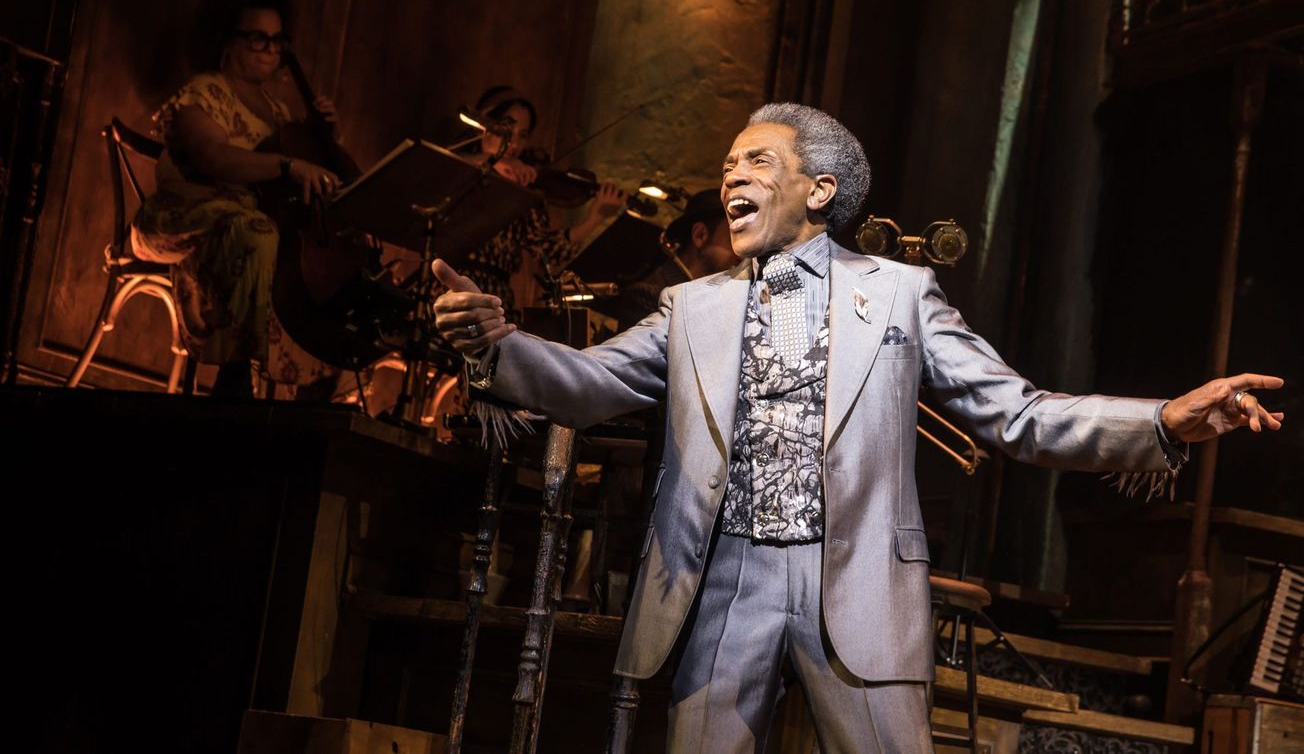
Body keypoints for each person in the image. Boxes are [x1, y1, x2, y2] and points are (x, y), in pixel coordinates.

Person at [430, 103, 1284, 751]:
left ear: (820, 191)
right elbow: (588, 383)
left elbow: (1019, 413)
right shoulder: (691, 306)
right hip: (724, 582)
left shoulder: (901, 294)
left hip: (857, 580)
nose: (731, 178)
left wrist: (1165, 419)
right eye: (727, 164)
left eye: (757, 161)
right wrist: (497, 346)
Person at [133, 0, 343, 397]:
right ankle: (235, 374)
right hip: (193, 217)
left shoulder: (280, 111)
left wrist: (326, 137)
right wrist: (287, 165)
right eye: (258, 39)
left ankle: (317, 383)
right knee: (257, 234)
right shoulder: (203, 91)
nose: (270, 50)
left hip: (253, 220)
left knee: (308, 256)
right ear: (227, 40)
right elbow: (212, 158)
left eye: (277, 41)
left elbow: (299, 177)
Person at [455, 86, 625, 312]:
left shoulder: (523, 188)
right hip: (450, 284)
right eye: (505, 130)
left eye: (522, 135)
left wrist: (595, 219)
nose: (514, 144)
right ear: (486, 125)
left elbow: (547, 248)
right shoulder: (459, 165)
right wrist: (490, 162)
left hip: (494, 294)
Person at [606, 187, 738, 330]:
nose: (740, 253)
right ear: (700, 235)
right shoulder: (648, 295)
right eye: (732, 239)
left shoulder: (715, 295)